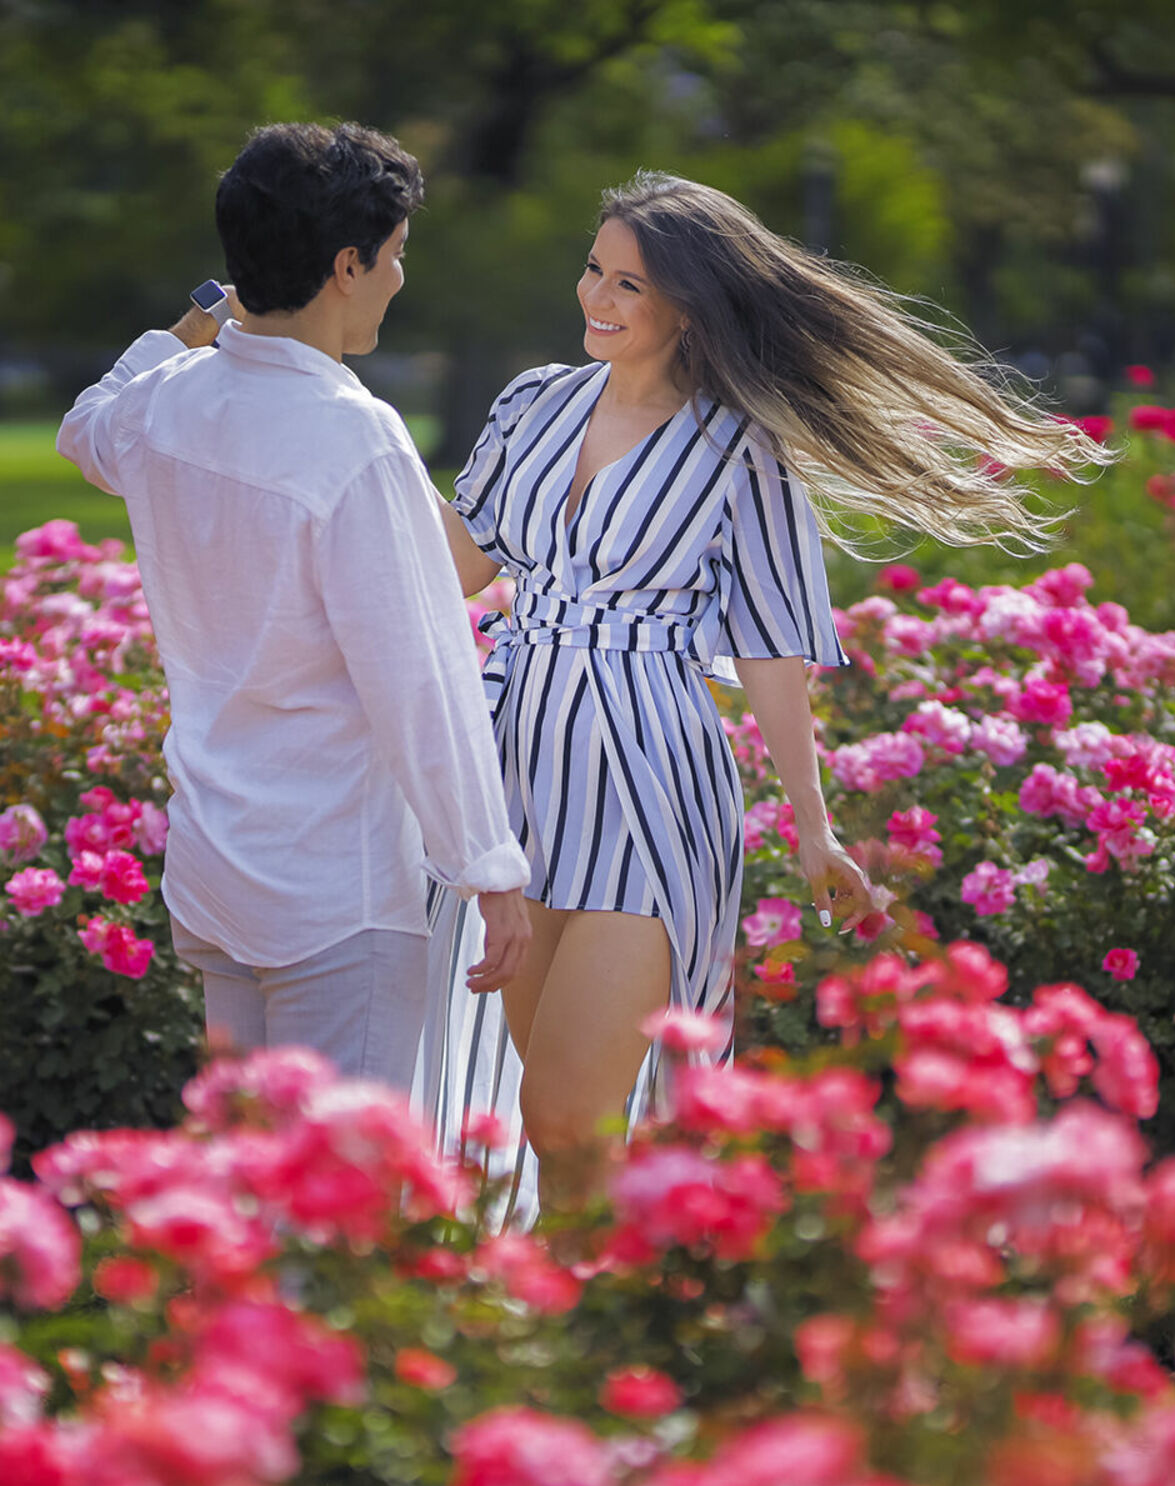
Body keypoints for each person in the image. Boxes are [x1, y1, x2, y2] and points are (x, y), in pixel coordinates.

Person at [425, 172, 1108, 1212]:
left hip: (649, 783)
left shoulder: (741, 450)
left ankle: (623, 1321)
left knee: (570, 1110)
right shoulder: (533, 403)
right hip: (515, 775)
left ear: (688, 305)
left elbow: (772, 649)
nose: (594, 299)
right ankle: (599, 1333)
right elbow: (456, 567)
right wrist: (355, 451)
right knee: (559, 1132)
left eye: (628, 285)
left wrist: (816, 829)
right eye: (593, 271)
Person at [57, 122, 531, 1090]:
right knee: (340, 1210)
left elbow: (83, 432)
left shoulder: (166, 401)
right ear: (348, 265)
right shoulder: (350, 434)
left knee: (249, 1192)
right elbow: (418, 671)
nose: (402, 280)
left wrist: (181, 332)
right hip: (333, 884)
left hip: (213, 866)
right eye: (395, 258)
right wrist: (488, 865)